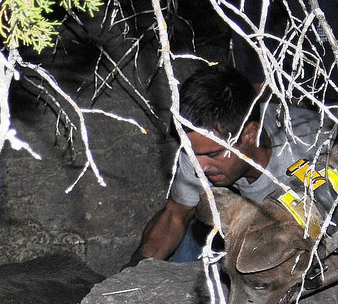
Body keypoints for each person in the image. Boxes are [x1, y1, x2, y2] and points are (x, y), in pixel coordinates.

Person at [125, 64, 334, 266]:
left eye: (213, 154)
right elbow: (175, 215)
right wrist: (133, 271)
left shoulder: (315, 149)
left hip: (304, 235)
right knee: (191, 247)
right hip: (234, 226)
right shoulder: (201, 146)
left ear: (251, 134)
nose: (200, 167)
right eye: (192, 155)